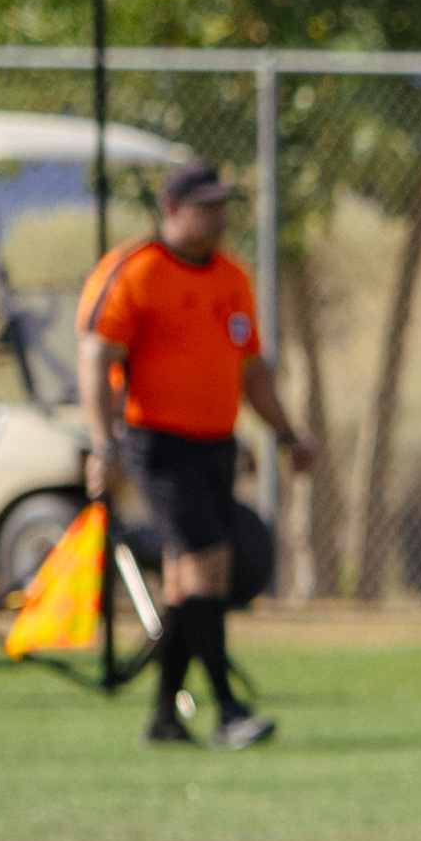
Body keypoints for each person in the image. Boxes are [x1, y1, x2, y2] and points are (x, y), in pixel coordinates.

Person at [74, 161, 315, 751]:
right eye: (204, 207)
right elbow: (96, 357)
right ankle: (229, 710)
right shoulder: (138, 270)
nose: (218, 218)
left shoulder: (232, 278)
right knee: (209, 563)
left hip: (216, 444)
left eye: (222, 207)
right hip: (157, 443)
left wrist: (288, 434)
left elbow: (252, 371)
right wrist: (103, 444)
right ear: (172, 210)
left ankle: (164, 719)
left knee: (186, 583)